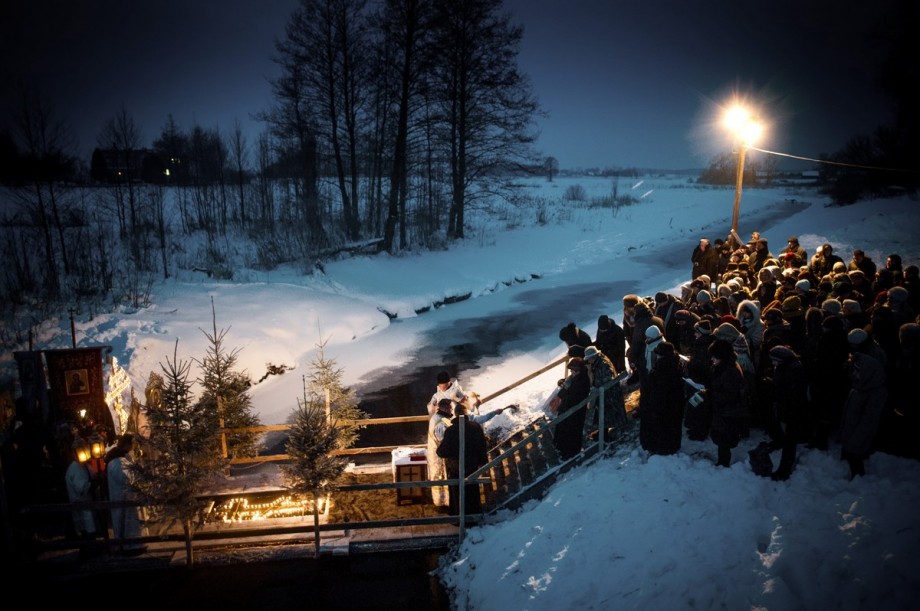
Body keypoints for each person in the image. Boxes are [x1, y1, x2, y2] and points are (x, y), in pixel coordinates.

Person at [840, 339, 888, 480]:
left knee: (856, 461)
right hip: (851, 435)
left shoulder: (874, 393)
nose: (854, 376)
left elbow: (868, 422)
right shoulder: (858, 388)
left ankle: (858, 478)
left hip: (856, 441)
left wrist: (853, 443)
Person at [436, 401, 489, 515]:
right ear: (466, 414)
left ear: (455, 414)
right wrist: (482, 462)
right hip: (472, 466)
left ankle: (458, 516)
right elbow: (482, 446)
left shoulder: (450, 430)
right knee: (472, 492)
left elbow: (442, 452)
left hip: (456, 467)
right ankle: (474, 515)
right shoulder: (476, 427)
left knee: (457, 493)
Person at [764, 345, 809, 480]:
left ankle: (784, 470)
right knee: (786, 436)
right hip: (787, 409)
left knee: (790, 441)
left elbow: (789, 395)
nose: (773, 363)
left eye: (774, 360)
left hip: (792, 411)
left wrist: (773, 388)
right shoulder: (787, 367)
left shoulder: (792, 372)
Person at [705, 339, 747, 467]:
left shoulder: (729, 372)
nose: (712, 359)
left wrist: (709, 394)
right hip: (724, 411)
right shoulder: (725, 366)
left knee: (724, 438)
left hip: (728, 412)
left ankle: (723, 463)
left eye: (714, 356)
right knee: (722, 437)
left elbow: (729, 395)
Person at [639, 341, 685, 455]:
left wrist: (652, 407)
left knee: (662, 429)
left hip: (661, 406)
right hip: (673, 405)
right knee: (672, 427)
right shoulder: (676, 364)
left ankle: (662, 449)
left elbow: (657, 391)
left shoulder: (662, 370)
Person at [105, 433, 147, 555]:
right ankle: (131, 547)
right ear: (128, 444)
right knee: (127, 524)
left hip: (126, 497)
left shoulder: (120, 459)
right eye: (133, 444)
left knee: (129, 523)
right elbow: (126, 478)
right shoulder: (118, 461)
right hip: (125, 498)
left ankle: (133, 544)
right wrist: (138, 475)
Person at [549, 357, 591, 460]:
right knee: (563, 429)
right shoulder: (577, 377)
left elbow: (576, 396)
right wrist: (563, 383)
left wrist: (565, 394)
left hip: (575, 411)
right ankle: (560, 447)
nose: (571, 372)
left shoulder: (583, 380)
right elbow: (570, 384)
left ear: (577, 370)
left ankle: (570, 452)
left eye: (572, 370)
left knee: (571, 432)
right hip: (568, 409)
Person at [582, 345, 627, 441]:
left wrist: (596, 387)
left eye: (589, 359)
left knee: (612, 412)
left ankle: (617, 431)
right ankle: (604, 432)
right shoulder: (598, 362)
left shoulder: (603, 364)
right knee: (606, 413)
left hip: (611, 393)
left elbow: (607, 379)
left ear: (592, 357)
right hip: (606, 392)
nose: (588, 361)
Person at [65, 438, 98, 555]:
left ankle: (91, 549)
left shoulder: (83, 465)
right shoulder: (75, 468)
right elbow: (83, 488)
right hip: (82, 506)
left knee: (90, 528)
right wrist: (94, 484)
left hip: (87, 505)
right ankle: (88, 552)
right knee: (87, 529)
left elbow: (94, 474)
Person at [427, 399, 454, 508]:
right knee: (440, 478)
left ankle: (444, 502)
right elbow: (444, 442)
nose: (452, 409)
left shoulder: (439, 418)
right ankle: (441, 504)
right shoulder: (440, 422)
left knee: (441, 478)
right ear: (444, 408)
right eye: (450, 407)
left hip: (438, 453)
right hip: (439, 456)